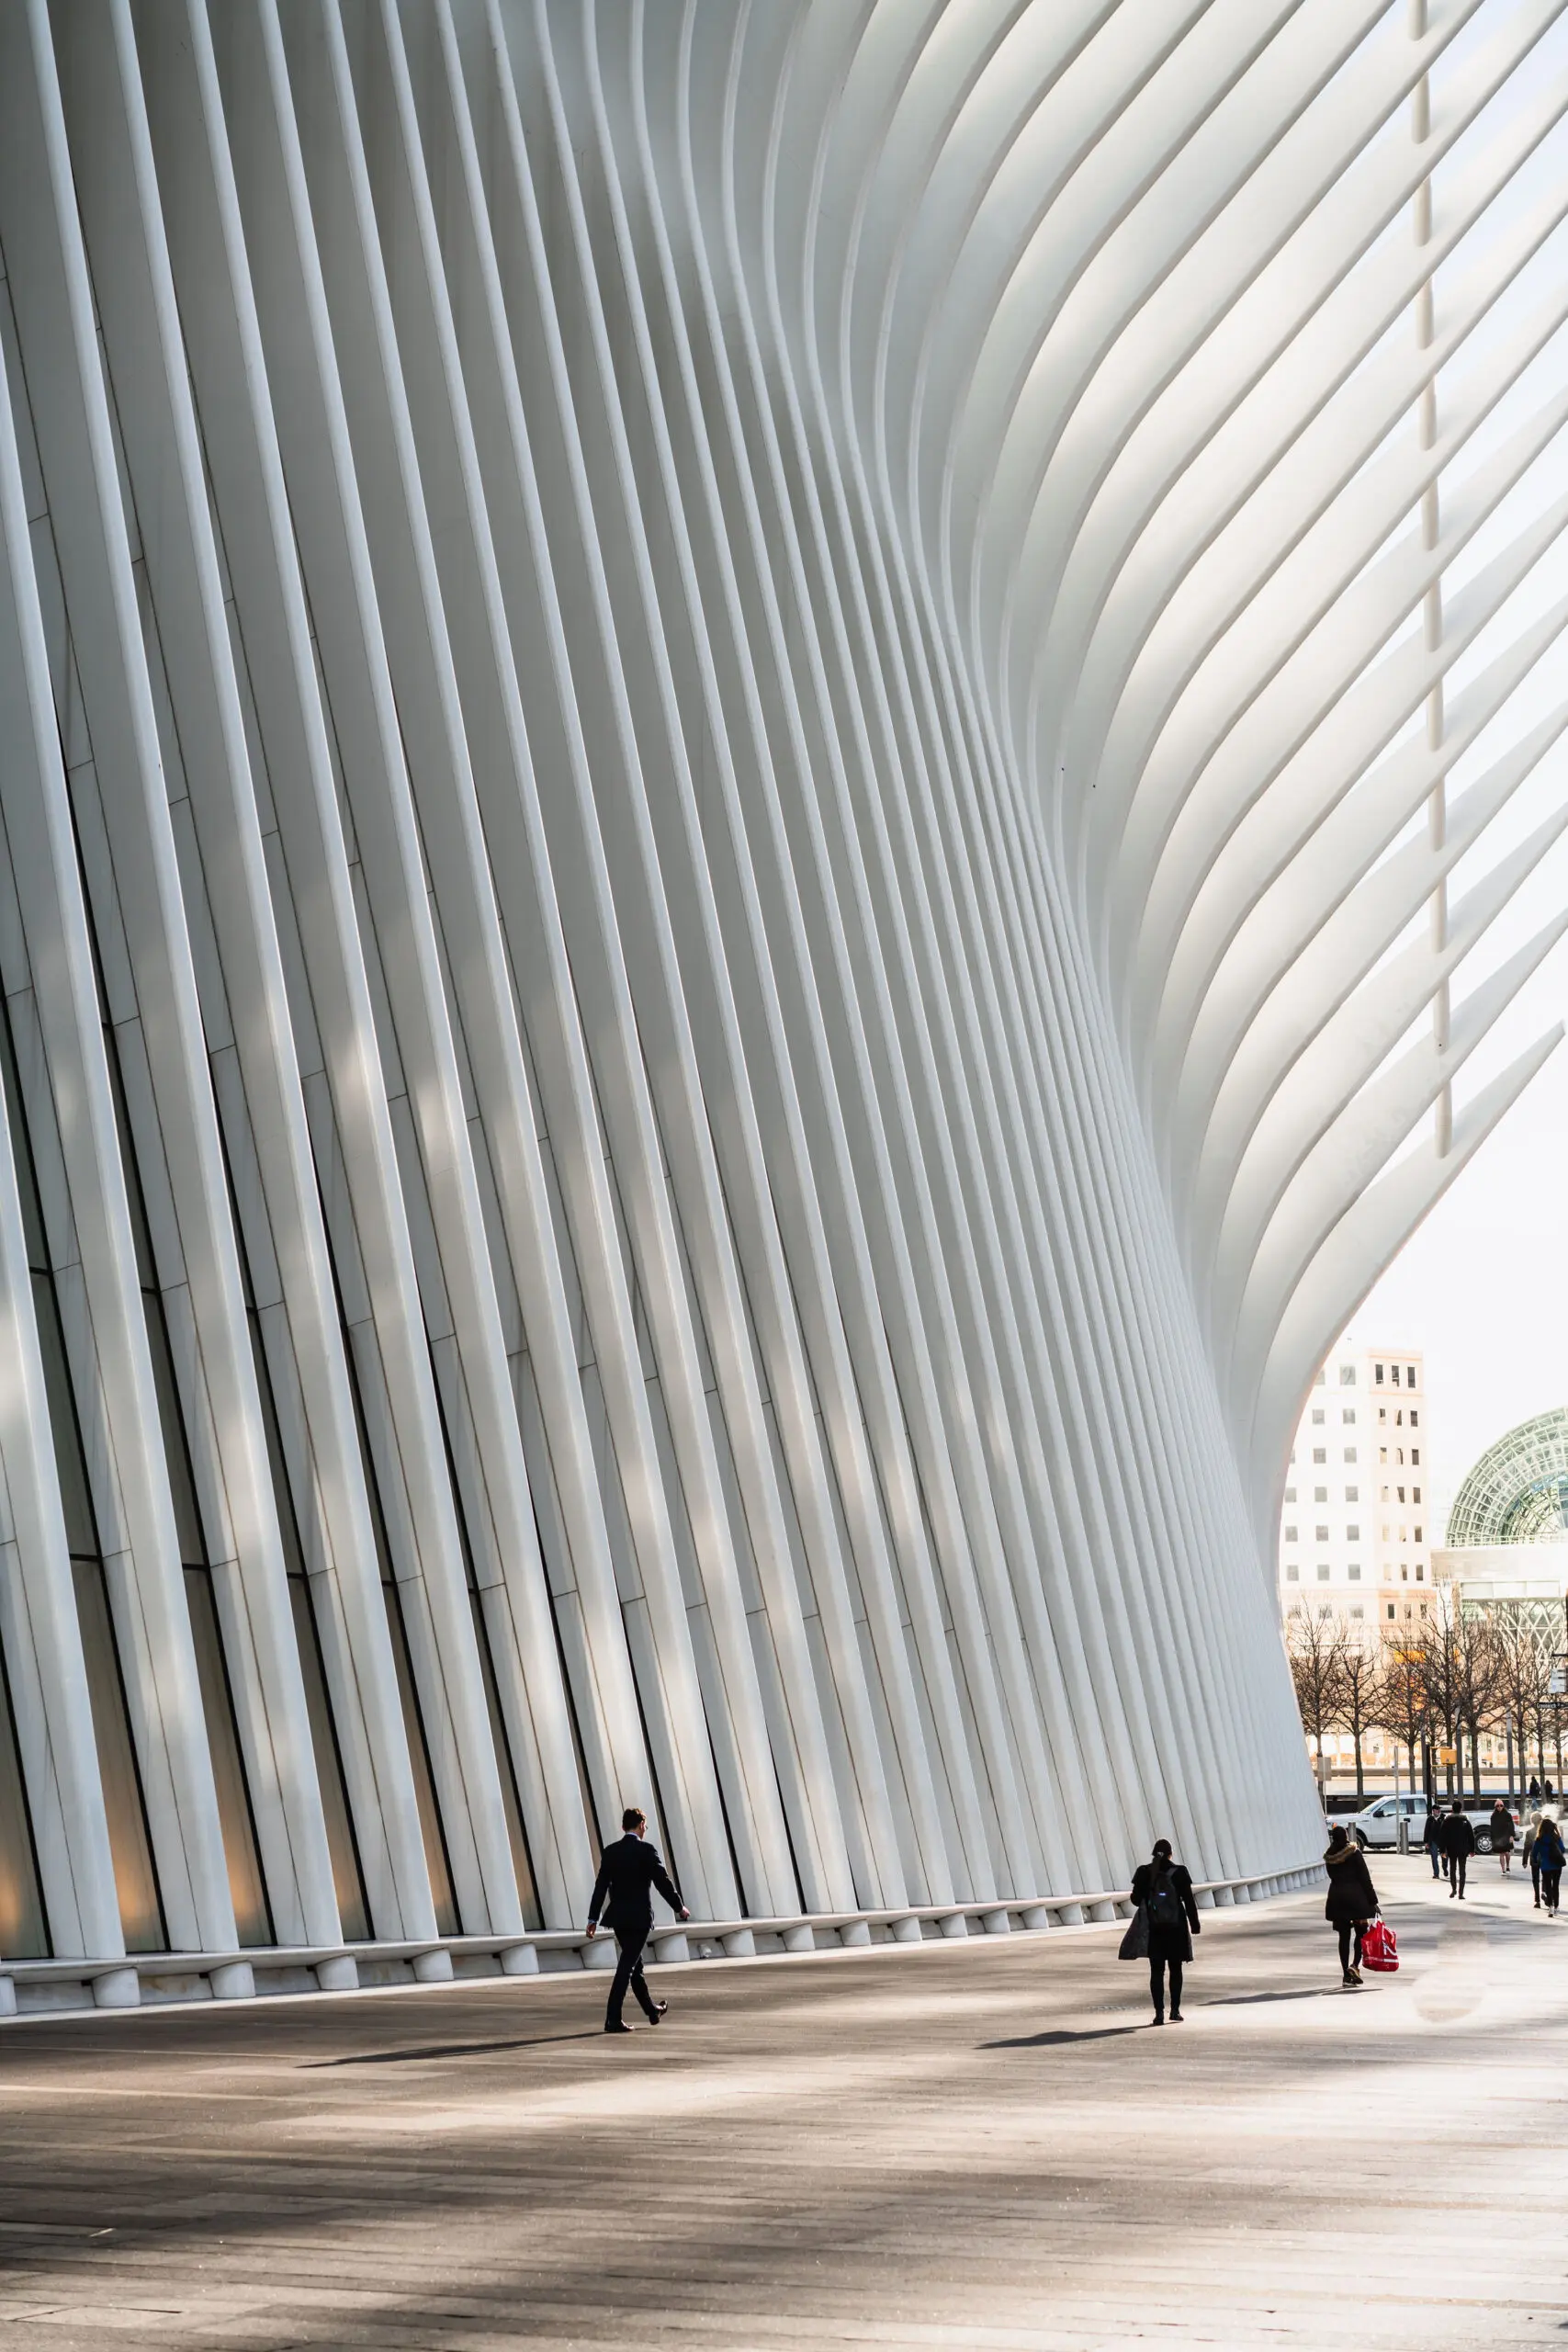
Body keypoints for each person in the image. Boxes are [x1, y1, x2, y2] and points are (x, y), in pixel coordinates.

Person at [585, 1805, 690, 2033]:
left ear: (623, 1827)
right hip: (640, 1918)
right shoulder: (647, 1851)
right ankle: (612, 2018)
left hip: (619, 1919)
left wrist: (593, 1917)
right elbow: (663, 1882)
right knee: (627, 1967)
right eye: (645, 1826)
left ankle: (652, 2011)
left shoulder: (611, 1852)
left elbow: (600, 1887)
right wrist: (679, 1907)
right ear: (641, 1825)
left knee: (635, 1965)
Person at [1129, 1838, 1200, 2024]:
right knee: (1175, 1969)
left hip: (1154, 1929)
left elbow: (1135, 1899)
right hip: (1176, 1928)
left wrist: (1150, 1897)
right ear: (1171, 1854)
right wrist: (1195, 1924)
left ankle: (1159, 2013)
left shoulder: (1144, 1872)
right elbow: (1189, 1901)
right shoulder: (1180, 1872)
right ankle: (1175, 2011)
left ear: (1153, 1853)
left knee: (1157, 1971)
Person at [1324, 1825, 1379, 1984]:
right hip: (1357, 1898)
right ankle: (1354, 1965)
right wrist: (1373, 1901)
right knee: (1361, 1933)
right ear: (1346, 1836)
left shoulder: (1329, 1856)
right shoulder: (1354, 1853)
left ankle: (1345, 1974)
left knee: (1344, 1936)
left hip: (1337, 1898)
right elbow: (1365, 1878)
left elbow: (1332, 1876)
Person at [1439, 1802, 1475, 1899]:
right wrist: (1472, 1849)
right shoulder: (1465, 1821)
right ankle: (1461, 1893)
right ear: (1460, 1809)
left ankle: (1453, 1889)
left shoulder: (1447, 1821)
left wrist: (1442, 1850)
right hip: (1463, 1850)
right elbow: (1471, 1836)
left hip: (1451, 1849)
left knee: (1452, 1869)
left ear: (1452, 1809)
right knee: (1462, 1871)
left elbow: (1442, 1836)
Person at [1535, 1814, 1565, 1918]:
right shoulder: (1557, 1837)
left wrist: (1536, 1860)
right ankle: (1556, 1906)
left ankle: (1551, 1906)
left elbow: (1534, 1852)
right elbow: (1562, 1849)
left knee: (1548, 1886)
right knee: (1555, 1886)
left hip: (1545, 1866)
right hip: (1557, 1865)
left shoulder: (1539, 1839)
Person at [1489, 1798, 1516, 1876]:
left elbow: (1511, 1826)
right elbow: (1492, 1827)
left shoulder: (1507, 1815)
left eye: (1501, 1805)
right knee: (1501, 1854)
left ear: (1503, 1806)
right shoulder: (1493, 1816)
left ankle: (1508, 1866)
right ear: (1495, 1807)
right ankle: (1503, 1870)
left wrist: (1512, 1835)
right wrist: (1492, 1838)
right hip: (1498, 1836)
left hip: (1506, 1836)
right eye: (1497, 1806)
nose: (1499, 1807)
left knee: (1507, 1853)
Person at [1524, 1808, 1545, 1909]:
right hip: (1545, 1859)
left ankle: (1537, 1900)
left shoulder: (1529, 1832)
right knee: (1545, 1878)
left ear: (1532, 1821)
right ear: (1541, 1820)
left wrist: (1524, 1861)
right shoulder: (1544, 1831)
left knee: (1535, 1879)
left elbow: (1527, 1847)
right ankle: (1544, 1892)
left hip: (1534, 1859)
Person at [1422, 1801, 1444, 1880]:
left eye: (1439, 1809)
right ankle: (1436, 1873)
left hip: (1442, 1841)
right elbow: (1426, 1830)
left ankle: (1445, 1868)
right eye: (1437, 1809)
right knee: (1434, 1858)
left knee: (1444, 1857)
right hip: (1433, 1841)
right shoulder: (1430, 1819)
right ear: (1433, 1810)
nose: (1439, 1811)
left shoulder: (1443, 1818)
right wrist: (1426, 1842)